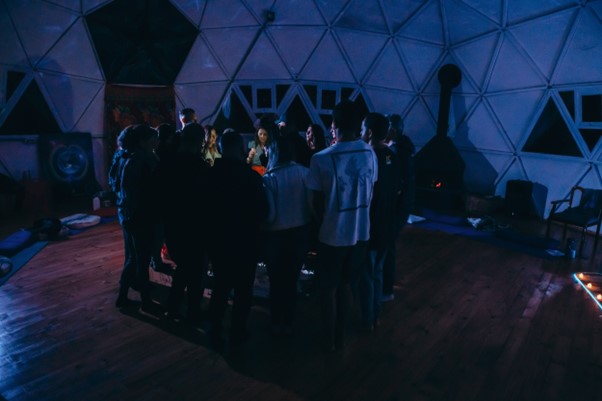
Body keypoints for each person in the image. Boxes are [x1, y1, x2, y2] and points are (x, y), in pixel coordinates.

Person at [306, 100, 378, 352]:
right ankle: (339, 337)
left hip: (332, 235)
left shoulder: (320, 159)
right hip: (360, 234)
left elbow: (314, 202)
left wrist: (325, 222)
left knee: (327, 289)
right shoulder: (370, 153)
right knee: (347, 285)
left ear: (334, 126)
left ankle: (329, 341)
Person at [206, 129, 269, 349]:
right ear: (241, 149)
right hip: (246, 242)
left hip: (219, 241)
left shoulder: (211, 175)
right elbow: (262, 212)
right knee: (243, 290)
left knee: (221, 286)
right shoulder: (251, 177)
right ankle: (238, 331)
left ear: (222, 148)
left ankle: (214, 330)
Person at [157, 123, 210, 324]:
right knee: (195, 271)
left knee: (184, 267)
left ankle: (173, 308)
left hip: (173, 224)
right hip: (195, 226)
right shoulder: (199, 166)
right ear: (199, 142)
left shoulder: (168, 162)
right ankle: (192, 311)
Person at [262, 135, 312, 336]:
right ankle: (289, 322)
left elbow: (271, 215)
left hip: (275, 237)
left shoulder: (269, 178)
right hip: (300, 234)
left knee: (276, 282)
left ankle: (276, 323)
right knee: (292, 280)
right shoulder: (305, 173)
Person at [358, 112, 400, 330]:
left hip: (370, 227)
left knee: (366, 276)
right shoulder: (392, 156)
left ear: (370, 132)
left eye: (362, 129)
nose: (360, 133)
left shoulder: (369, 158)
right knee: (377, 274)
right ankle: (374, 316)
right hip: (387, 228)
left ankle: (367, 320)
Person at [114, 124, 162, 316]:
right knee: (140, 260)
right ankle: (146, 302)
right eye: (152, 139)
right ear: (142, 142)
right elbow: (138, 192)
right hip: (139, 217)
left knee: (133, 259)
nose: (155, 142)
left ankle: (123, 296)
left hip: (130, 216)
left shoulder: (128, 158)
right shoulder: (139, 161)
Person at [382, 114, 415, 302]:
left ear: (392, 131)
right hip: (405, 203)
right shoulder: (405, 148)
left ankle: (386, 290)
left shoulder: (394, 151)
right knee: (389, 245)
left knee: (387, 247)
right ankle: (387, 288)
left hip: (397, 205)